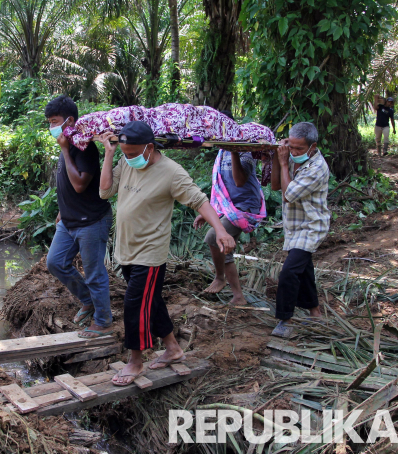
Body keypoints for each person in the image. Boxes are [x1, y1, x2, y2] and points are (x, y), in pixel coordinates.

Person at [99, 121, 236, 386]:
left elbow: (199, 199)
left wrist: (220, 229)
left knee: (135, 304)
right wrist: (109, 154)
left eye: (132, 153)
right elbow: (105, 191)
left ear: (149, 148)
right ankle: (173, 349)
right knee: (152, 301)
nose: (128, 158)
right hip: (126, 249)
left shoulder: (171, 172)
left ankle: (135, 361)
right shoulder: (126, 163)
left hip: (150, 253)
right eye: (125, 153)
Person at [44, 95, 113, 339]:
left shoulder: (83, 147)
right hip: (70, 221)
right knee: (55, 262)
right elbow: (66, 185)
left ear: (70, 120)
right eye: (49, 122)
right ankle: (88, 300)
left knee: (94, 273)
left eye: (55, 121)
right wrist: (62, 210)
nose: (51, 127)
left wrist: (64, 149)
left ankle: (104, 322)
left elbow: (80, 184)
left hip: (91, 221)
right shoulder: (69, 145)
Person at [194, 111, 266, 306]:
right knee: (222, 244)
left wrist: (234, 149)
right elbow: (220, 188)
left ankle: (221, 279)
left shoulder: (245, 150)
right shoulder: (221, 152)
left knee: (213, 238)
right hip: (230, 208)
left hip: (245, 208)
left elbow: (239, 181)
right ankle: (238, 296)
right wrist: (212, 213)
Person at [269, 122, 330, 339]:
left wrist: (285, 163)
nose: (294, 153)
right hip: (295, 226)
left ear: (312, 147)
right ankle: (315, 312)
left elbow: (288, 195)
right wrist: (279, 158)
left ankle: (285, 320)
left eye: (299, 149)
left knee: (289, 272)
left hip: (311, 226)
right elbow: (276, 186)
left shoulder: (316, 168)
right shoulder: (292, 159)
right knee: (304, 270)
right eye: (291, 147)